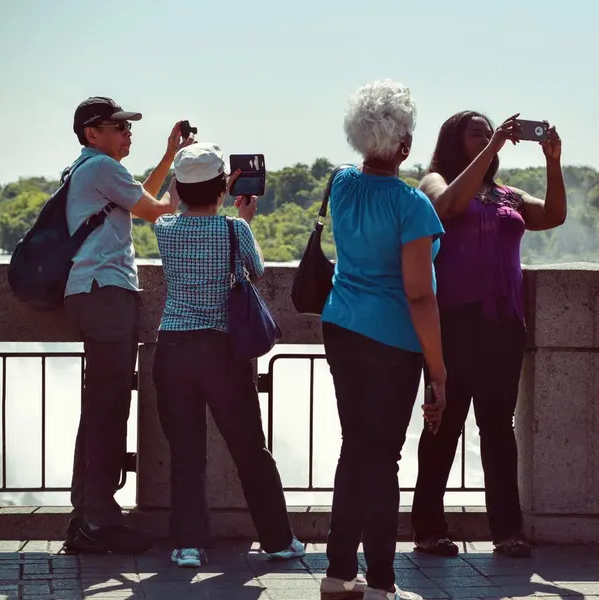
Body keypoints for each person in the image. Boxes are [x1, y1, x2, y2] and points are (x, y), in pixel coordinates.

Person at [411, 111, 567, 559]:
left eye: (489, 131)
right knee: (444, 426)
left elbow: (553, 215)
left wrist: (553, 162)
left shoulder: (507, 195)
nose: (487, 136)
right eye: (476, 133)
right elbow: (446, 209)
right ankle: (428, 529)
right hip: (453, 324)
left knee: (499, 428)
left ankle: (508, 531)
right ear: (454, 141)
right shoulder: (434, 181)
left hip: (504, 323)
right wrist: (492, 148)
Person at [319, 80, 446, 600]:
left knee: (357, 449)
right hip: (392, 339)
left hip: (341, 326)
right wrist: (438, 370)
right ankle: (382, 581)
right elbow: (420, 296)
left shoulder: (341, 183)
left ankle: (338, 571)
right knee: (381, 459)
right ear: (405, 145)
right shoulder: (412, 205)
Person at [152, 143, 305, 568]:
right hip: (221, 349)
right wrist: (242, 215)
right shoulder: (234, 230)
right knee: (250, 449)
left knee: (185, 450)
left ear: (181, 188)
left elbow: (170, 203)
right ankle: (277, 539)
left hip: (173, 347)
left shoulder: (164, 228)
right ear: (222, 186)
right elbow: (255, 270)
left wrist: (191, 182)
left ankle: (187, 545)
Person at [63, 96, 194, 554]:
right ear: (90, 133)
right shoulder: (101, 167)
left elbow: (143, 200)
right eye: (116, 126)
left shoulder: (92, 169)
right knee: (107, 406)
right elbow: (158, 210)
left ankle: (89, 514)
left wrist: (167, 160)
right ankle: (99, 520)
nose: (126, 132)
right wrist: (190, 183)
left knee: (102, 404)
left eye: (127, 126)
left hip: (92, 293)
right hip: (105, 294)